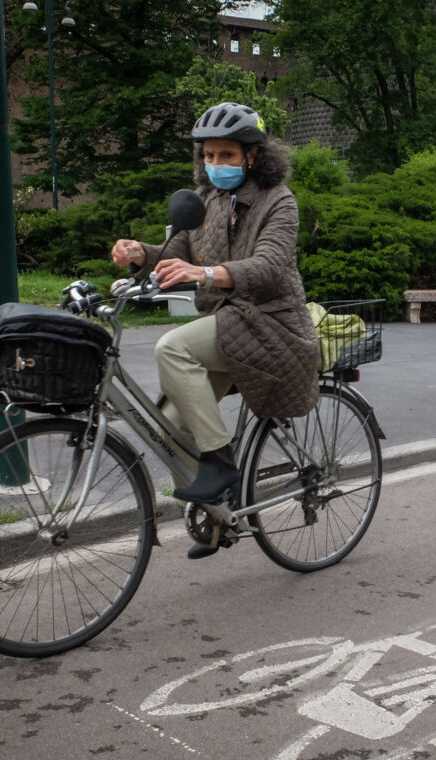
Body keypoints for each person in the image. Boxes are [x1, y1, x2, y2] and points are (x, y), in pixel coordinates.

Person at [110, 102, 320, 557]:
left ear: (253, 156)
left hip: (271, 325)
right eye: (208, 156)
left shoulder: (279, 202)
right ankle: (219, 514)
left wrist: (204, 275)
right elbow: (178, 249)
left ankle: (220, 463)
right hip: (228, 325)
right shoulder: (207, 201)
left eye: (227, 155)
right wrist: (139, 254)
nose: (215, 165)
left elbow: (267, 267)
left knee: (171, 349)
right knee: (168, 427)